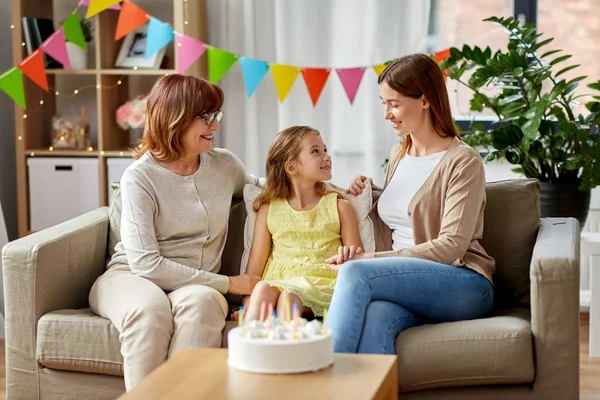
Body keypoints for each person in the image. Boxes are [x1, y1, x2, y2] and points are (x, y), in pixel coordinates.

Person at [88, 74, 262, 391]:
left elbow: (266, 186)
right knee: (149, 312)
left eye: (216, 115)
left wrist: (335, 191)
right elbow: (146, 264)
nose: (216, 126)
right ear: (175, 118)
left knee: (205, 305)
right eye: (206, 117)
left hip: (194, 282)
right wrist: (229, 283)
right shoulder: (139, 177)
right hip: (133, 276)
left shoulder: (223, 165)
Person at [325, 53, 495, 355]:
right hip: (410, 283)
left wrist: (374, 259)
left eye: (395, 103)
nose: (387, 114)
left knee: (354, 273)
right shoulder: (400, 152)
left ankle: (319, 383)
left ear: (426, 100)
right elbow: (408, 211)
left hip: (463, 282)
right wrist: (369, 192)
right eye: (384, 103)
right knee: (376, 317)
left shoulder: (463, 161)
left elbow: (452, 245)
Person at [241, 126, 363, 321]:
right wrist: (247, 306)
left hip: (322, 284)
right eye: (316, 151)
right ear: (291, 167)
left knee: (290, 296)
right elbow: (253, 274)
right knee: (262, 287)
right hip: (278, 283)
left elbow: (359, 262)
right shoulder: (268, 209)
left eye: (325, 150)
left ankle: (288, 350)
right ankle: (249, 347)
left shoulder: (340, 207)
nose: (326, 157)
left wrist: (348, 257)